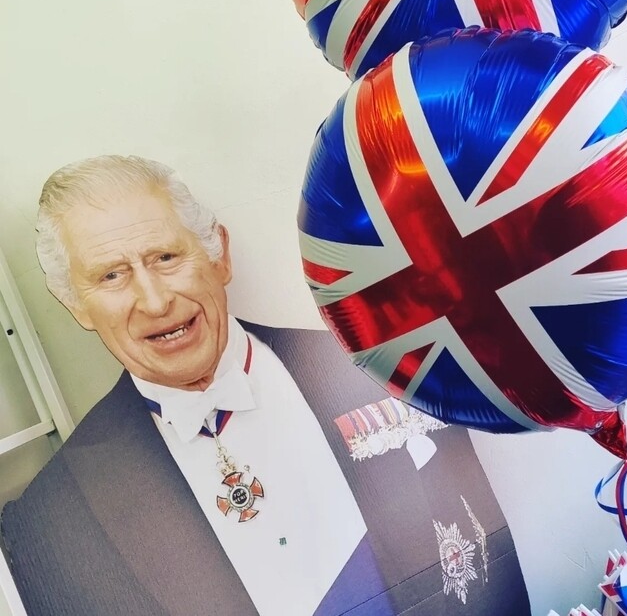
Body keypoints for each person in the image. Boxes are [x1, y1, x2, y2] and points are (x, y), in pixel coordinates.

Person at [1, 155, 530, 616]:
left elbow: (490, 567)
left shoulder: (389, 368)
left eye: (166, 257)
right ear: (75, 304)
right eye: (110, 276)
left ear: (218, 255)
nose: (155, 300)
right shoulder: (48, 519)